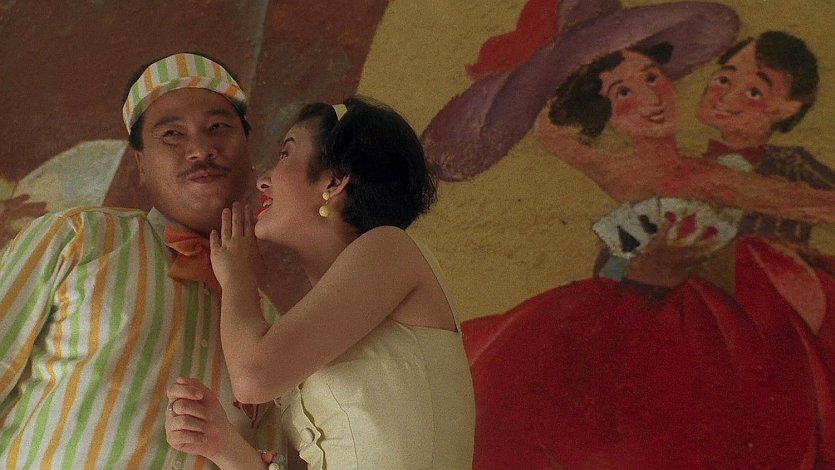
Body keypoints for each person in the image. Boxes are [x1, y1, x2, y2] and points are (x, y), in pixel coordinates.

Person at [464, 40, 835, 468]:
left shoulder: (711, 172)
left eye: (653, 78)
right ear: (609, 114)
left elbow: (803, 204)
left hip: (699, 321)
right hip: (635, 316)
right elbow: (555, 137)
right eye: (623, 92)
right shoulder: (629, 174)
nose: (651, 97)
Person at [0, 52, 281, 469]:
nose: (200, 149)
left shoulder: (272, 328)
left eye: (218, 127)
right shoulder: (76, 239)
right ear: (140, 163)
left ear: (248, 148)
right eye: (172, 134)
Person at [164, 97, 476, 469]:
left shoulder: (391, 248)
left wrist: (238, 280)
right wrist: (223, 445)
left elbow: (251, 377)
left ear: (334, 180)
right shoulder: (326, 317)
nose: (263, 180)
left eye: (285, 154)